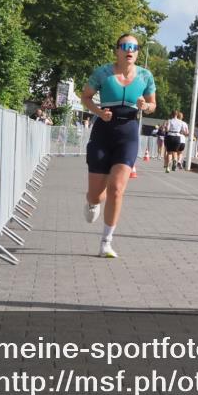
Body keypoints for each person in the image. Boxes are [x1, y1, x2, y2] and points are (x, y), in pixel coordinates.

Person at [80, 35, 156, 258]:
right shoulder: (103, 73)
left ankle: (106, 242)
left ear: (137, 53)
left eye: (133, 47)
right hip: (103, 132)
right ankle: (93, 201)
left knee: (117, 189)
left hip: (128, 134)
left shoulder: (145, 75)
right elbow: (86, 97)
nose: (129, 50)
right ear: (117, 51)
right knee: (97, 194)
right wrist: (98, 112)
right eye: (125, 46)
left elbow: (153, 104)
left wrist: (146, 106)